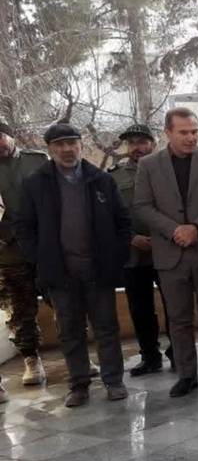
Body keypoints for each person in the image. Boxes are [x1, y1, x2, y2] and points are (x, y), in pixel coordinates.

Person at [17, 123, 130, 407]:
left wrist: (115, 256)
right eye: (60, 144)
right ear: (50, 149)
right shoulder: (35, 184)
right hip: (60, 272)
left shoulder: (101, 180)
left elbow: (122, 222)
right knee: (70, 332)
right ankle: (79, 385)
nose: (67, 149)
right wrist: (40, 258)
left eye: (72, 143)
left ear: (81, 145)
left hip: (98, 270)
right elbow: (23, 227)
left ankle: (113, 381)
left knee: (106, 328)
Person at [134, 108, 198, 397]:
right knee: (178, 319)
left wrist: (196, 227)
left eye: (194, 132)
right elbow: (142, 206)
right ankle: (186, 375)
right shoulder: (149, 165)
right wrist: (174, 230)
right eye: (184, 132)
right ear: (168, 132)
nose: (191, 138)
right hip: (170, 251)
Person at [110, 123, 170, 376]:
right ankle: (150, 356)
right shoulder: (114, 177)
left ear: (153, 144)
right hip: (133, 254)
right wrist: (131, 238)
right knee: (140, 309)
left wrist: (161, 237)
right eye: (132, 143)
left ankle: (179, 351)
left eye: (143, 142)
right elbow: (110, 215)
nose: (138, 147)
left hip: (167, 249)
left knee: (174, 305)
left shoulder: (168, 170)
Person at [0, 122, 48, 387]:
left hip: (44, 247)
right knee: (19, 310)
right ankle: (31, 360)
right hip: (9, 253)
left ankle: (78, 357)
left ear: (10, 136)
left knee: (66, 303)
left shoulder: (37, 161)